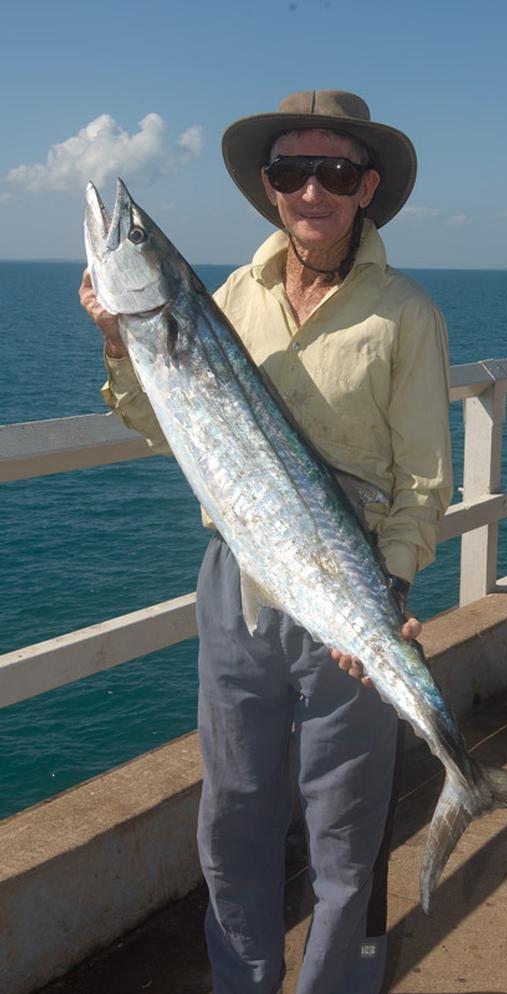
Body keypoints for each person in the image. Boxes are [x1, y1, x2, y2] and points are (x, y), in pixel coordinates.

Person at [80, 90, 452, 994]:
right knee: (235, 812)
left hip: (353, 593)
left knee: (344, 823)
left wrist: (390, 592)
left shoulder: (405, 314)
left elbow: (424, 483)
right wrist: (122, 348)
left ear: (366, 188)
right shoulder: (229, 297)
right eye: (292, 172)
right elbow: (173, 429)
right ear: (267, 188)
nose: (312, 191)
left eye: (333, 172)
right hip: (236, 579)